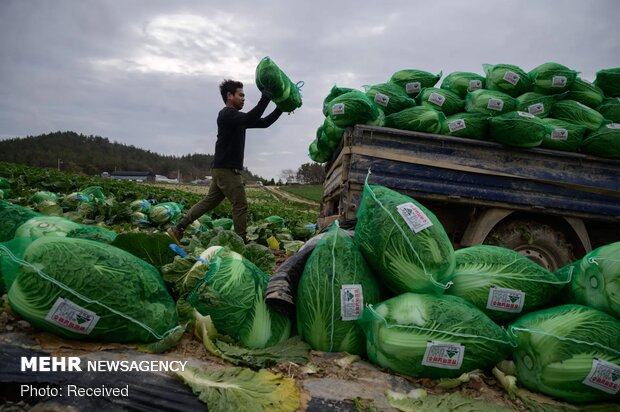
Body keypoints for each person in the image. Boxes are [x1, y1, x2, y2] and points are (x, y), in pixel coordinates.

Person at [167, 79, 282, 244]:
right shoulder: (227, 114)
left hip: (221, 168)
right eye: (240, 95)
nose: (243, 98)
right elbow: (252, 116)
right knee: (240, 205)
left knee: (208, 202)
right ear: (229, 95)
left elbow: (263, 123)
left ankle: (178, 228)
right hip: (227, 169)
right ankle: (240, 242)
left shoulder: (238, 119)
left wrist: (280, 109)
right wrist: (266, 98)